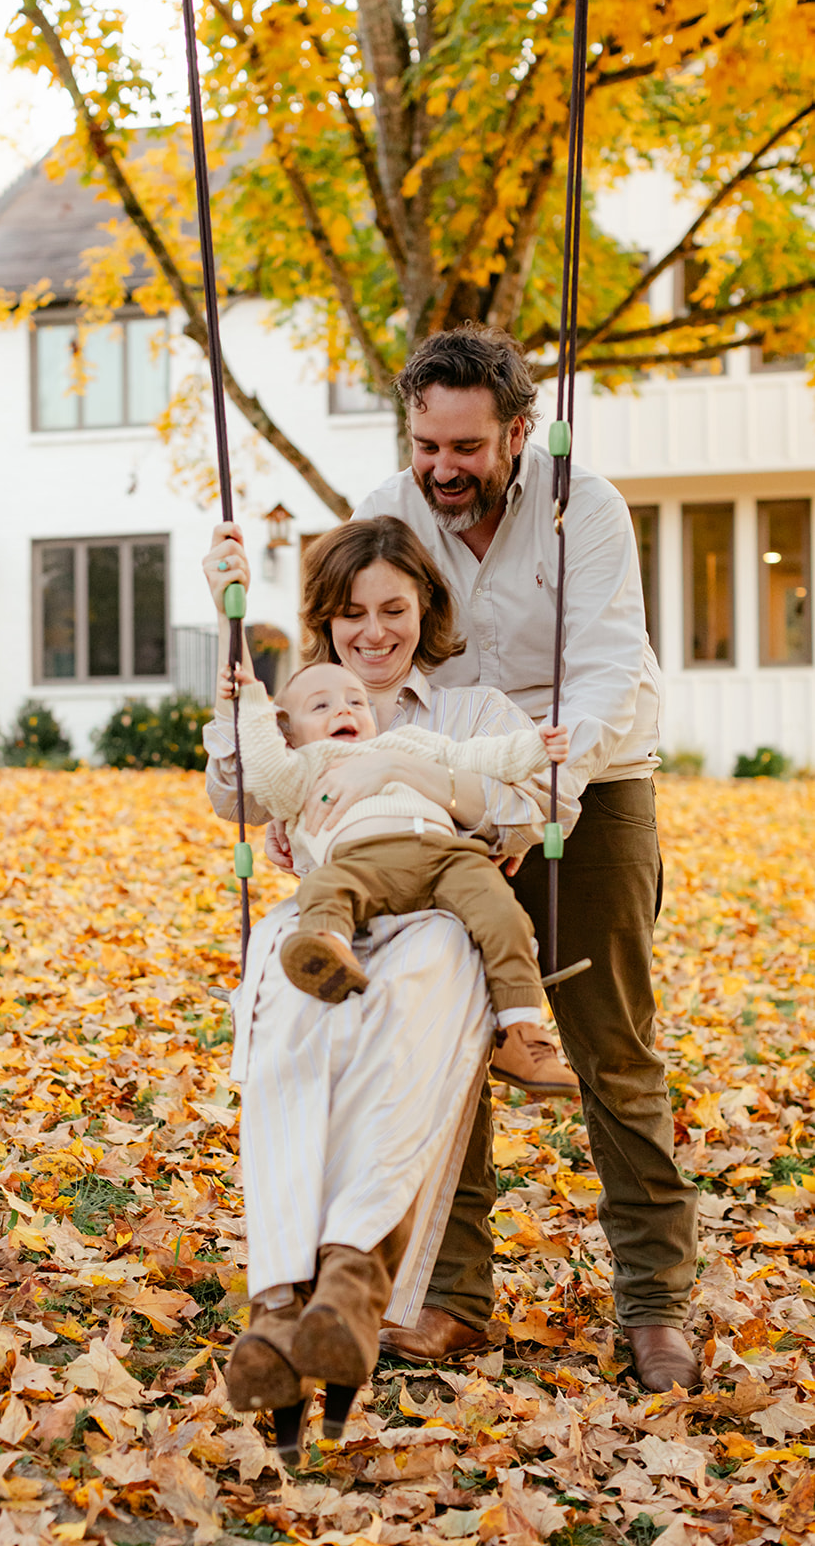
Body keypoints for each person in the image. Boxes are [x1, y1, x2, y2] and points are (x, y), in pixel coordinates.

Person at [351, 322, 700, 1393]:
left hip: (590, 789)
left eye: (465, 447)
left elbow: (599, 678)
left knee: (613, 1048)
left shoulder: (580, 505)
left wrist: (528, 803)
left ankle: (653, 1302)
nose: (442, 470)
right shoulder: (391, 510)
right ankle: (453, 1295)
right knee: (446, 1043)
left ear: (516, 429)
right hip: (448, 792)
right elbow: (360, 649)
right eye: (426, 446)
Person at [202, 516, 580, 1456]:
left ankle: (349, 1275)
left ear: (425, 610)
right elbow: (237, 789)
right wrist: (232, 640)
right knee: (291, 1030)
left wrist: (399, 778)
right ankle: (285, 1295)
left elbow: (535, 800)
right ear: (325, 621)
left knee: (405, 1021)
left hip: (437, 922)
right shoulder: (296, 712)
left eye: (394, 610)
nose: (373, 633)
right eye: (351, 614)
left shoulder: (469, 712)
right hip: (333, 918)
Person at [222, 659, 570, 1020]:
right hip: (360, 863)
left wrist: (534, 747)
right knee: (324, 888)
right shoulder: (302, 769)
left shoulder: (405, 743)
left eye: (356, 702)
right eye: (321, 705)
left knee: (499, 905)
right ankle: (327, 951)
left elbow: (475, 756)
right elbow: (264, 768)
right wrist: (250, 702)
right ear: (289, 735)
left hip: (446, 857)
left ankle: (520, 1026)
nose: (344, 708)